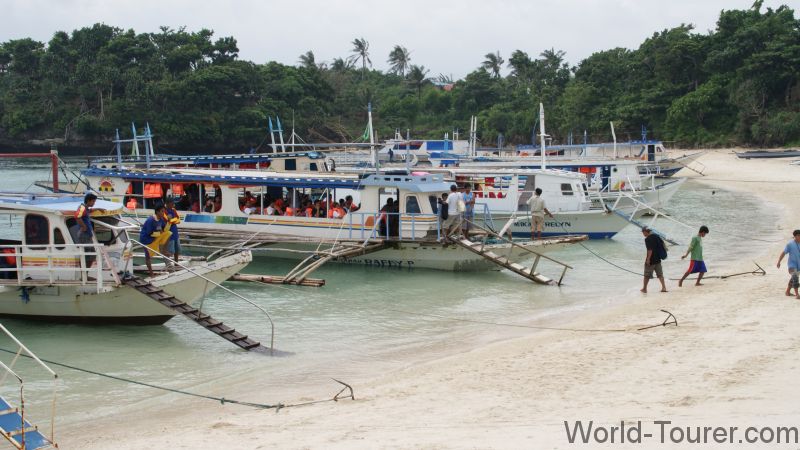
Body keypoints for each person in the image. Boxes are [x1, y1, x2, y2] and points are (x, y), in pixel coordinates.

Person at [139, 205, 171, 277]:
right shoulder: (150, 220)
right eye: (162, 211)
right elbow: (149, 233)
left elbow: (166, 230)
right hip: (146, 240)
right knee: (148, 257)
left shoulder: (161, 219)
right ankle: (151, 274)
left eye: (164, 211)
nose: (163, 213)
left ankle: (164, 250)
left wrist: (169, 221)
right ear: (157, 212)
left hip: (154, 237)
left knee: (168, 233)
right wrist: (159, 233)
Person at [75, 193, 103, 268]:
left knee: (91, 255)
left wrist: (98, 209)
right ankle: (84, 275)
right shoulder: (82, 208)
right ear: (88, 201)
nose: (94, 203)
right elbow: (77, 217)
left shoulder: (85, 208)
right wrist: (83, 226)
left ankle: (85, 274)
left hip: (87, 235)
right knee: (87, 255)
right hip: (84, 235)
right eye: (93, 201)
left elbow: (88, 211)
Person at [641, 227, 667, 293]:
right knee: (660, 274)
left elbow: (650, 250)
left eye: (643, 232)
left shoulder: (647, 239)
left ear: (646, 232)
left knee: (646, 275)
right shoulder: (656, 236)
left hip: (651, 260)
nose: (643, 233)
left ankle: (644, 289)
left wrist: (648, 259)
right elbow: (663, 244)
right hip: (658, 259)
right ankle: (664, 287)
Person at [777, 229, 800, 299]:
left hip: (799, 265)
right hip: (792, 265)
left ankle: (787, 292)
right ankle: (797, 294)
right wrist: (779, 261)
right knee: (795, 277)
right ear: (795, 236)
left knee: (793, 278)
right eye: (798, 235)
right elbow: (783, 253)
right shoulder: (790, 244)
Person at [163, 198, 182, 264]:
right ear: (167, 204)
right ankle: (168, 264)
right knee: (170, 251)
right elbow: (167, 220)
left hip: (175, 233)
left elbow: (178, 220)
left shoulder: (173, 210)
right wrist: (173, 220)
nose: (173, 205)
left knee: (177, 250)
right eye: (172, 203)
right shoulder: (164, 211)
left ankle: (176, 263)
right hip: (169, 234)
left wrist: (172, 220)